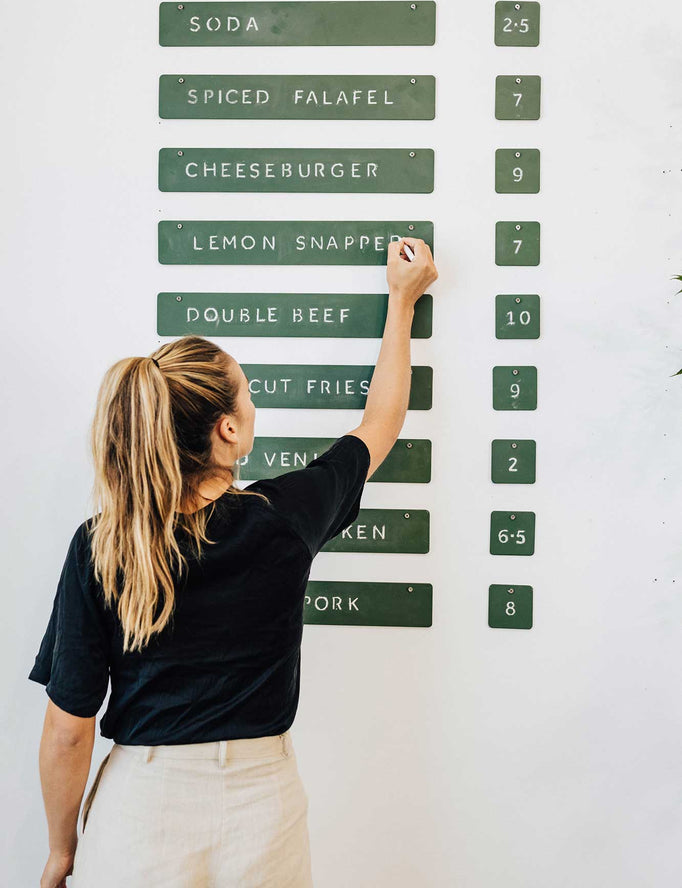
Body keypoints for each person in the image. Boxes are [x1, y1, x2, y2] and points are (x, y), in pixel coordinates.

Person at [28, 236, 438, 888]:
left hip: (140, 811)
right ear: (227, 429)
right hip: (260, 807)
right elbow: (378, 425)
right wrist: (402, 300)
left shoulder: (103, 545)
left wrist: (60, 851)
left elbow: (68, 731)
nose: (252, 405)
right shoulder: (282, 518)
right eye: (246, 394)